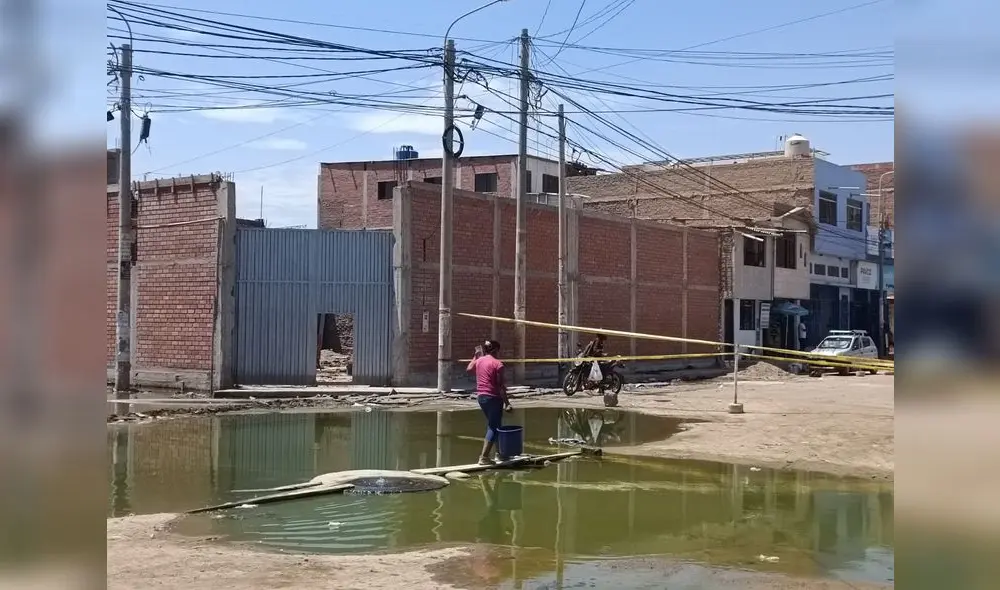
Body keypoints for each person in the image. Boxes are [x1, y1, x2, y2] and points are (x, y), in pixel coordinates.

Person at [467, 339, 512, 466]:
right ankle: (484, 457)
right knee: (494, 427)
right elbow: (500, 386)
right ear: (497, 350)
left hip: (481, 397)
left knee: (495, 424)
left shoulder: (480, 360)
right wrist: (507, 403)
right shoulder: (498, 364)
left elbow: (469, 368)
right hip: (493, 398)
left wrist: (475, 357)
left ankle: (500, 454)